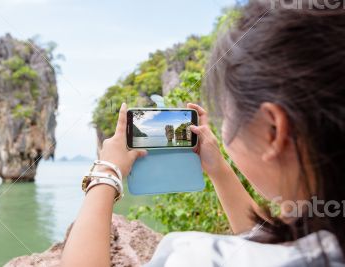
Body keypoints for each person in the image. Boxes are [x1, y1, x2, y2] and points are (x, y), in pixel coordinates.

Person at [61, 1, 345, 266]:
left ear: (273, 130)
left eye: (226, 114)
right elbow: (270, 244)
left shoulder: (192, 256)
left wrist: (106, 172)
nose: (222, 129)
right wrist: (218, 168)